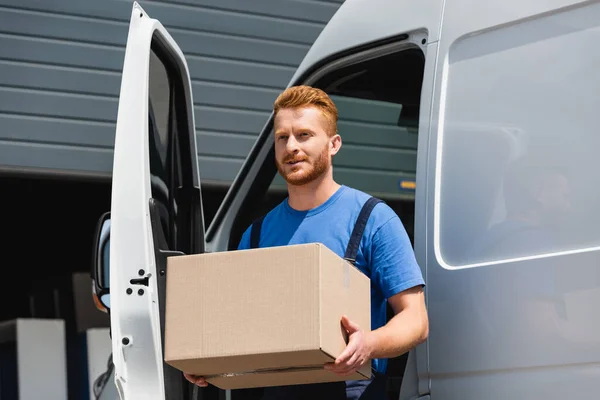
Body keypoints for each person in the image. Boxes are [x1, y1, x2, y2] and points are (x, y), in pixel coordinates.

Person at [185, 85, 428, 399]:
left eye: (304, 135)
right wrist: (207, 359)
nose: (291, 147)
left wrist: (368, 344)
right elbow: (240, 324)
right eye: (282, 138)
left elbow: (416, 319)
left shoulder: (372, 220)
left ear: (333, 143)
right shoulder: (256, 235)